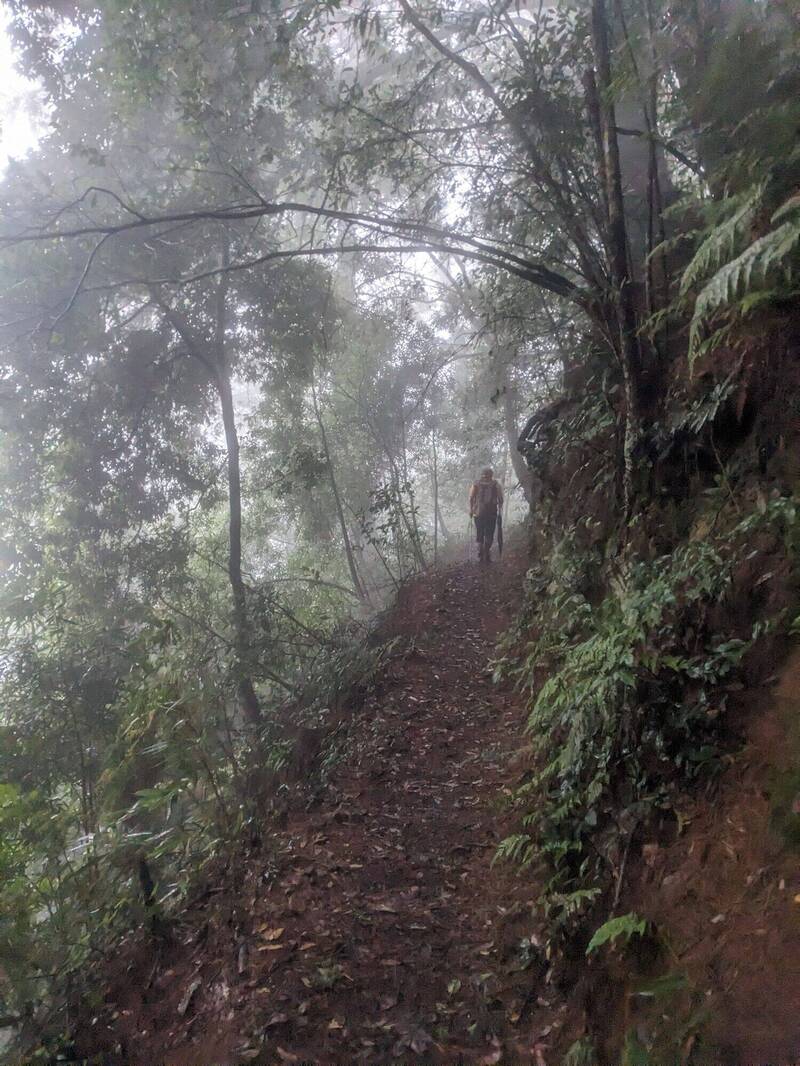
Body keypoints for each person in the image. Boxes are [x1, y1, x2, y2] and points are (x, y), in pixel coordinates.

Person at [469, 467, 504, 563]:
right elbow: (501, 499)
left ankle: (480, 554)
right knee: (489, 534)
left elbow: (471, 498)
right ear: (491, 475)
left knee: (479, 534)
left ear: (482, 474)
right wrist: (500, 509)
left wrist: (471, 510)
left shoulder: (475, 484)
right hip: (491, 513)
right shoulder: (496, 485)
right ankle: (487, 553)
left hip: (478, 513)